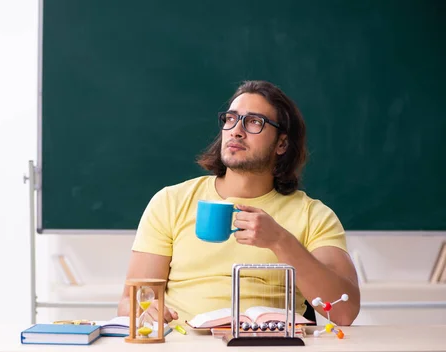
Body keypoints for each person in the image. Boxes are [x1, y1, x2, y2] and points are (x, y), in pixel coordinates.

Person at [117, 80, 360, 326]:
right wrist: (146, 312)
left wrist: (280, 241)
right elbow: (130, 303)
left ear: (282, 144)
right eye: (231, 119)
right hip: (186, 349)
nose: (236, 130)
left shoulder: (313, 215)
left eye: (254, 122)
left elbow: (344, 312)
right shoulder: (170, 201)